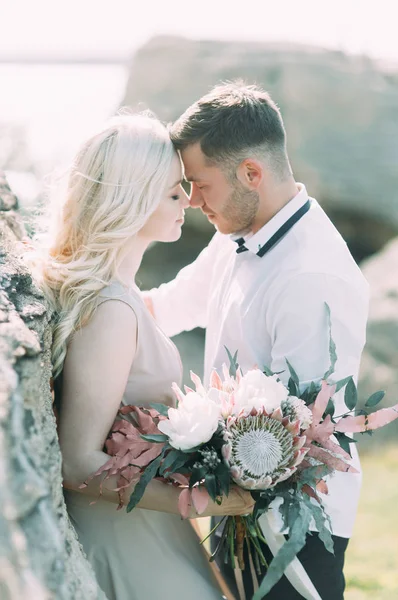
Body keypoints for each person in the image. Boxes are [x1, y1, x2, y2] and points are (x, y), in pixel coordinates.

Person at [144, 82, 370, 599]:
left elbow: (301, 435)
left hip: (296, 525)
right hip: (234, 502)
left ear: (251, 173)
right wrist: (94, 298)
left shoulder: (313, 276)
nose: (191, 199)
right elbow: (170, 304)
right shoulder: (237, 232)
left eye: (200, 184)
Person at [29, 112, 254, 600]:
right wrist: (199, 502)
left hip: (150, 524)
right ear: (130, 197)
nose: (189, 201)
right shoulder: (110, 309)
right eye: (174, 191)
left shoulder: (125, 294)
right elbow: (76, 461)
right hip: (124, 533)